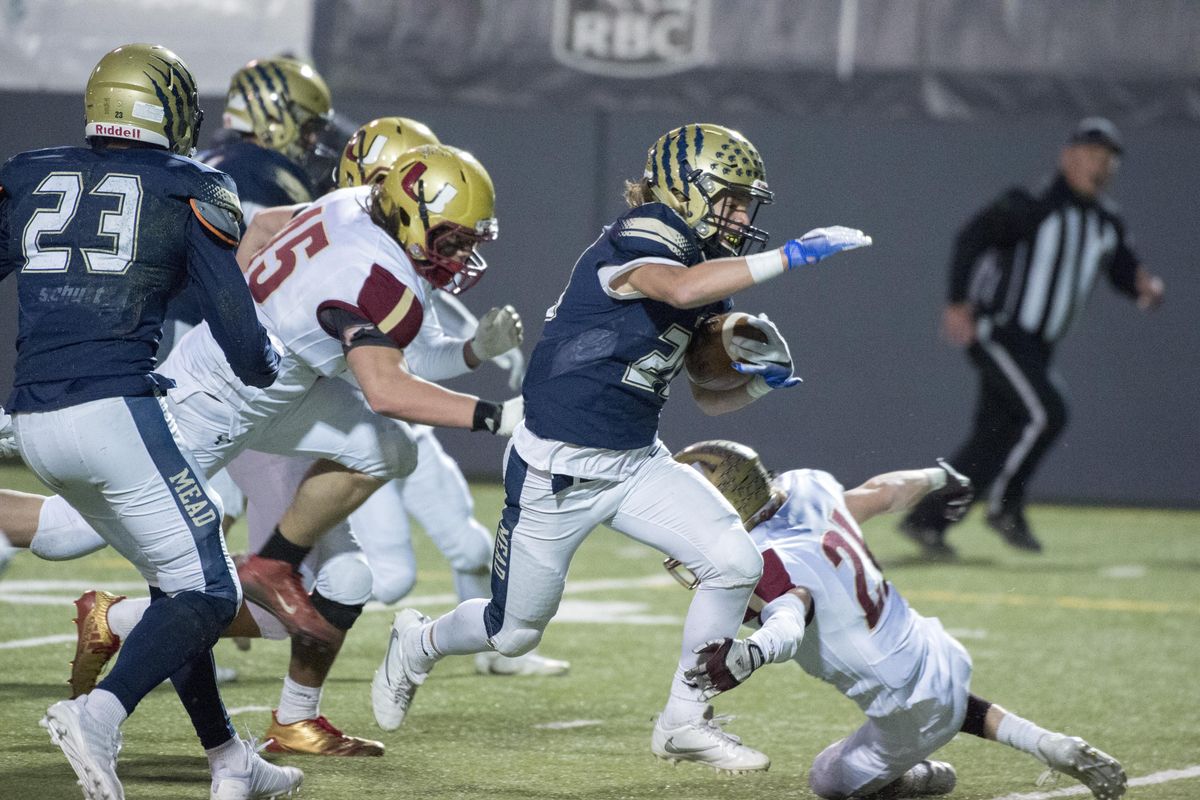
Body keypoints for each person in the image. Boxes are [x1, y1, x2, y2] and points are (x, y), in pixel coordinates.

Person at [369, 122, 873, 772]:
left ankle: (685, 720)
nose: (744, 213)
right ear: (686, 191)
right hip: (558, 465)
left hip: (635, 461)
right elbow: (678, 289)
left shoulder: (706, 265)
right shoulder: (647, 233)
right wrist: (794, 257)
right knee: (513, 633)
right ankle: (420, 641)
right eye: (733, 197)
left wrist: (760, 384)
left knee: (733, 562)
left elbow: (705, 392)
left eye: (748, 200)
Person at [0, 144, 522, 759]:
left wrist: (250, 301)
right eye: (453, 239)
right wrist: (496, 417)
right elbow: (385, 388)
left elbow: (268, 227)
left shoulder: (353, 203)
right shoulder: (375, 275)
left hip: (275, 383)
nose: (462, 255)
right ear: (410, 214)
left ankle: (273, 564)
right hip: (217, 400)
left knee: (388, 450)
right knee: (66, 534)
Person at [0, 43, 301, 800]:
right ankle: (98, 715)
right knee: (211, 595)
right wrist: (269, 365)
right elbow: (240, 338)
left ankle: (230, 758)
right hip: (114, 413)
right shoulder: (188, 187)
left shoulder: (32, 172)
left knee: (177, 588)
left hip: (34, 420)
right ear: (161, 106)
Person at [671, 440, 1127, 800]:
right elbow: (881, 493)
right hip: (936, 649)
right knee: (939, 696)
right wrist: (939, 476)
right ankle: (1051, 744)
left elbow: (793, 608)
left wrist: (754, 652)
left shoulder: (760, 561)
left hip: (900, 704)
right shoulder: (809, 487)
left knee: (828, 778)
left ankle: (917, 777)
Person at [900, 117, 1166, 557]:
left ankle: (929, 523)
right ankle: (1006, 507)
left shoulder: (1106, 222)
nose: (1099, 168)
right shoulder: (1033, 204)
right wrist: (957, 301)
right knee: (1049, 412)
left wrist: (1144, 287)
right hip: (1001, 332)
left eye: (1107, 161)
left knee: (995, 435)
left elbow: (1122, 270)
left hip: (1038, 347)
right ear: (1068, 158)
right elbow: (973, 237)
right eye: (1090, 157)